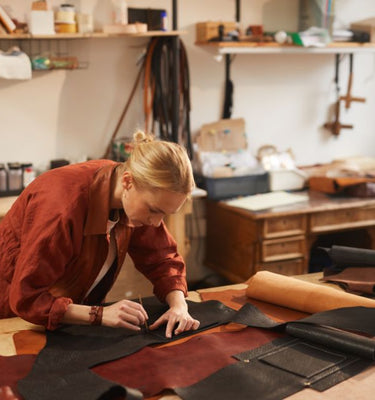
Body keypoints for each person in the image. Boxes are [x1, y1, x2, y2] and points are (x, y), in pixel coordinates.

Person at [0, 131, 200, 338]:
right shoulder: (61, 207)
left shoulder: (136, 194)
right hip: (13, 321)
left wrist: (179, 306)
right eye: (153, 210)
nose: (156, 223)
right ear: (128, 182)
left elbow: (161, 259)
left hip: (64, 319)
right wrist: (99, 314)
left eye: (165, 214)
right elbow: (27, 298)